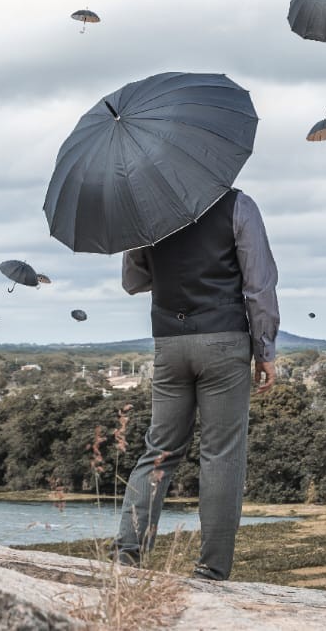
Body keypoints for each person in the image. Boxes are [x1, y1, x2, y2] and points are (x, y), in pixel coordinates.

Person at [113, 187, 278, 581]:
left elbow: (133, 281)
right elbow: (258, 284)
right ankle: (211, 569)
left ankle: (127, 556)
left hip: (169, 342)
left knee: (159, 451)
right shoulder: (238, 205)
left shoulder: (147, 208)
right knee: (221, 454)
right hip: (224, 340)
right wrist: (265, 349)